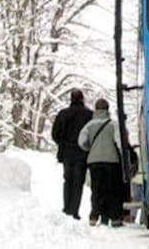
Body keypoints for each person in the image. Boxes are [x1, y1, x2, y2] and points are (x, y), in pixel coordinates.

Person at [77, 98, 123, 227]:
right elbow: (119, 142)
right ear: (107, 109)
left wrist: (90, 148)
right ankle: (114, 218)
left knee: (97, 189)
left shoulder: (89, 125)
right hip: (112, 161)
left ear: (96, 109)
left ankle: (94, 216)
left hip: (94, 161)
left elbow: (81, 142)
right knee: (112, 189)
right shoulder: (113, 124)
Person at [50, 88, 92, 220]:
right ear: (82, 99)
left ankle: (66, 208)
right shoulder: (89, 115)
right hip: (82, 153)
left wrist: (62, 144)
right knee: (78, 182)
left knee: (67, 180)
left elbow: (55, 134)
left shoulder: (63, 114)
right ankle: (74, 210)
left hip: (67, 152)